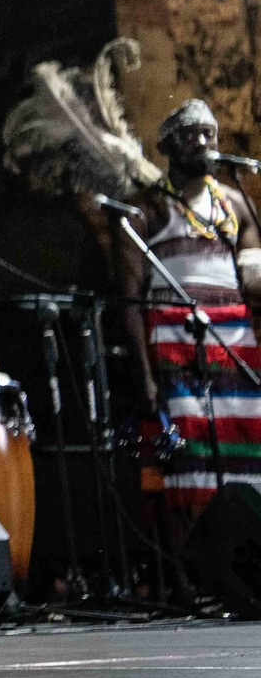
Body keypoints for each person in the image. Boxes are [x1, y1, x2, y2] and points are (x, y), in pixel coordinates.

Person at [114, 99, 261, 513]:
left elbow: (252, 279)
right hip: (173, 346)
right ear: (166, 147)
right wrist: (145, 376)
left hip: (234, 346)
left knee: (245, 455)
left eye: (208, 133)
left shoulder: (236, 207)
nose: (200, 141)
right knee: (187, 459)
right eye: (188, 134)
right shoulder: (145, 209)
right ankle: (191, 567)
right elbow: (131, 299)